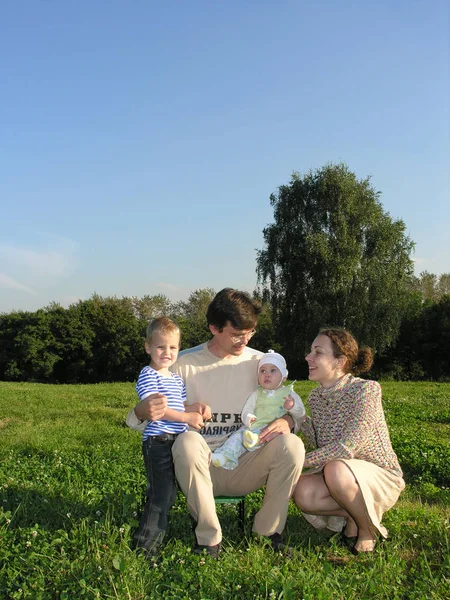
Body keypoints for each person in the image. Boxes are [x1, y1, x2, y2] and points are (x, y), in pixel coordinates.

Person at [127, 288, 305, 558]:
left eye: (250, 332)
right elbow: (150, 418)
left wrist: (288, 419)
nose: (244, 340)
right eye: (236, 334)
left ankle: (268, 532)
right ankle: (209, 539)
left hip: (246, 461)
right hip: (199, 466)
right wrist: (140, 412)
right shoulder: (183, 363)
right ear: (214, 328)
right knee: (187, 441)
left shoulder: (262, 364)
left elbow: (293, 405)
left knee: (291, 446)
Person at [294, 328, 405, 554]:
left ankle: (366, 530)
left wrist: (300, 461)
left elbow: (349, 446)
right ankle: (355, 514)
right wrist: (297, 416)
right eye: (310, 351)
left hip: (379, 474)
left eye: (317, 352)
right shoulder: (316, 397)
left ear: (340, 361)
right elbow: (320, 440)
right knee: (301, 491)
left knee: (335, 468)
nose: (308, 357)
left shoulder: (366, 390)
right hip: (342, 474)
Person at [131, 317, 211, 555]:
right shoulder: (148, 374)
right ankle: (146, 546)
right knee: (162, 493)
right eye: (160, 347)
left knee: (173, 492)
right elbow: (157, 409)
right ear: (148, 347)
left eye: (173, 347)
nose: (167, 352)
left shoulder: (176, 379)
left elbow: (179, 405)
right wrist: (186, 419)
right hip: (158, 442)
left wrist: (194, 408)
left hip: (177, 441)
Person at [211, 350, 305, 469]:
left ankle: (255, 441)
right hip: (254, 426)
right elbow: (247, 409)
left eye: (273, 370)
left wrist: (293, 406)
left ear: (284, 376)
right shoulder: (257, 394)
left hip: (273, 429)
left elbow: (301, 414)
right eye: (263, 371)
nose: (267, 374)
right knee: (237, 437)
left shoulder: (289, 394)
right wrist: (248, 417)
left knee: (266, 437)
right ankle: (223, 456)